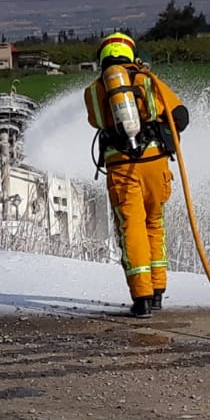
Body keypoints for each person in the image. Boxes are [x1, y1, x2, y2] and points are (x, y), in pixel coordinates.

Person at [83, 32, 190, 318]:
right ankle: (157, 293)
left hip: (121, 169)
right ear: (130, 54)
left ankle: (141, 298)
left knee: (132, 228)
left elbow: (96, 121)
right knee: (154, 224)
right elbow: (181, 116)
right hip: (156, 166)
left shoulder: (94, 91)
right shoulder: (147, 80)